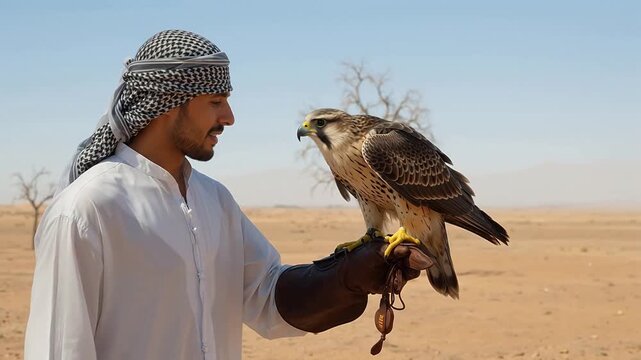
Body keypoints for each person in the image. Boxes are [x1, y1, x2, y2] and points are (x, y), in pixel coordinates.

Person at [24, 29, 431, 360]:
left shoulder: (214, 201)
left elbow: (268, 297)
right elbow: (58, 349)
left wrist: (346, 277)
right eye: (215, 102)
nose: (229, 118)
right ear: (167, 105)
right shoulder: (86, 211)